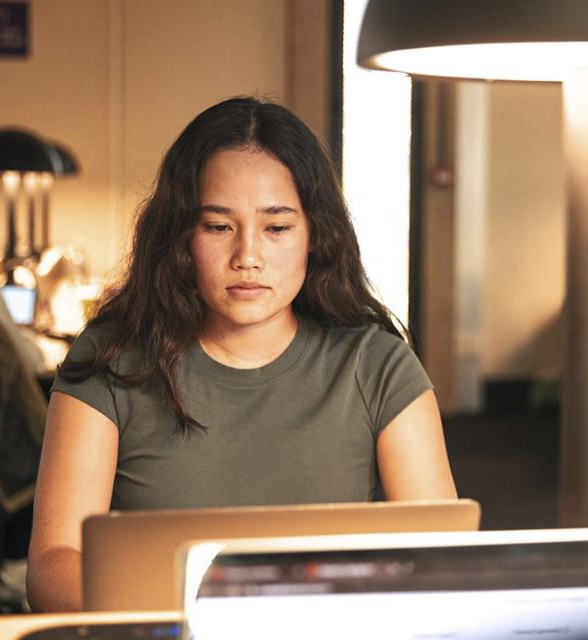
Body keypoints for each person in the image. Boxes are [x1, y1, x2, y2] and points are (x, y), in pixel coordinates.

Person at [26, 97, 458, 612]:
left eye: (276, 228)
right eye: (218, 227)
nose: (247, 257)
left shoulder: (379, 365)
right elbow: (53, 564)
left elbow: (445, 567)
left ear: (314, 235)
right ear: (182, 237)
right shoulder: (110, 359)